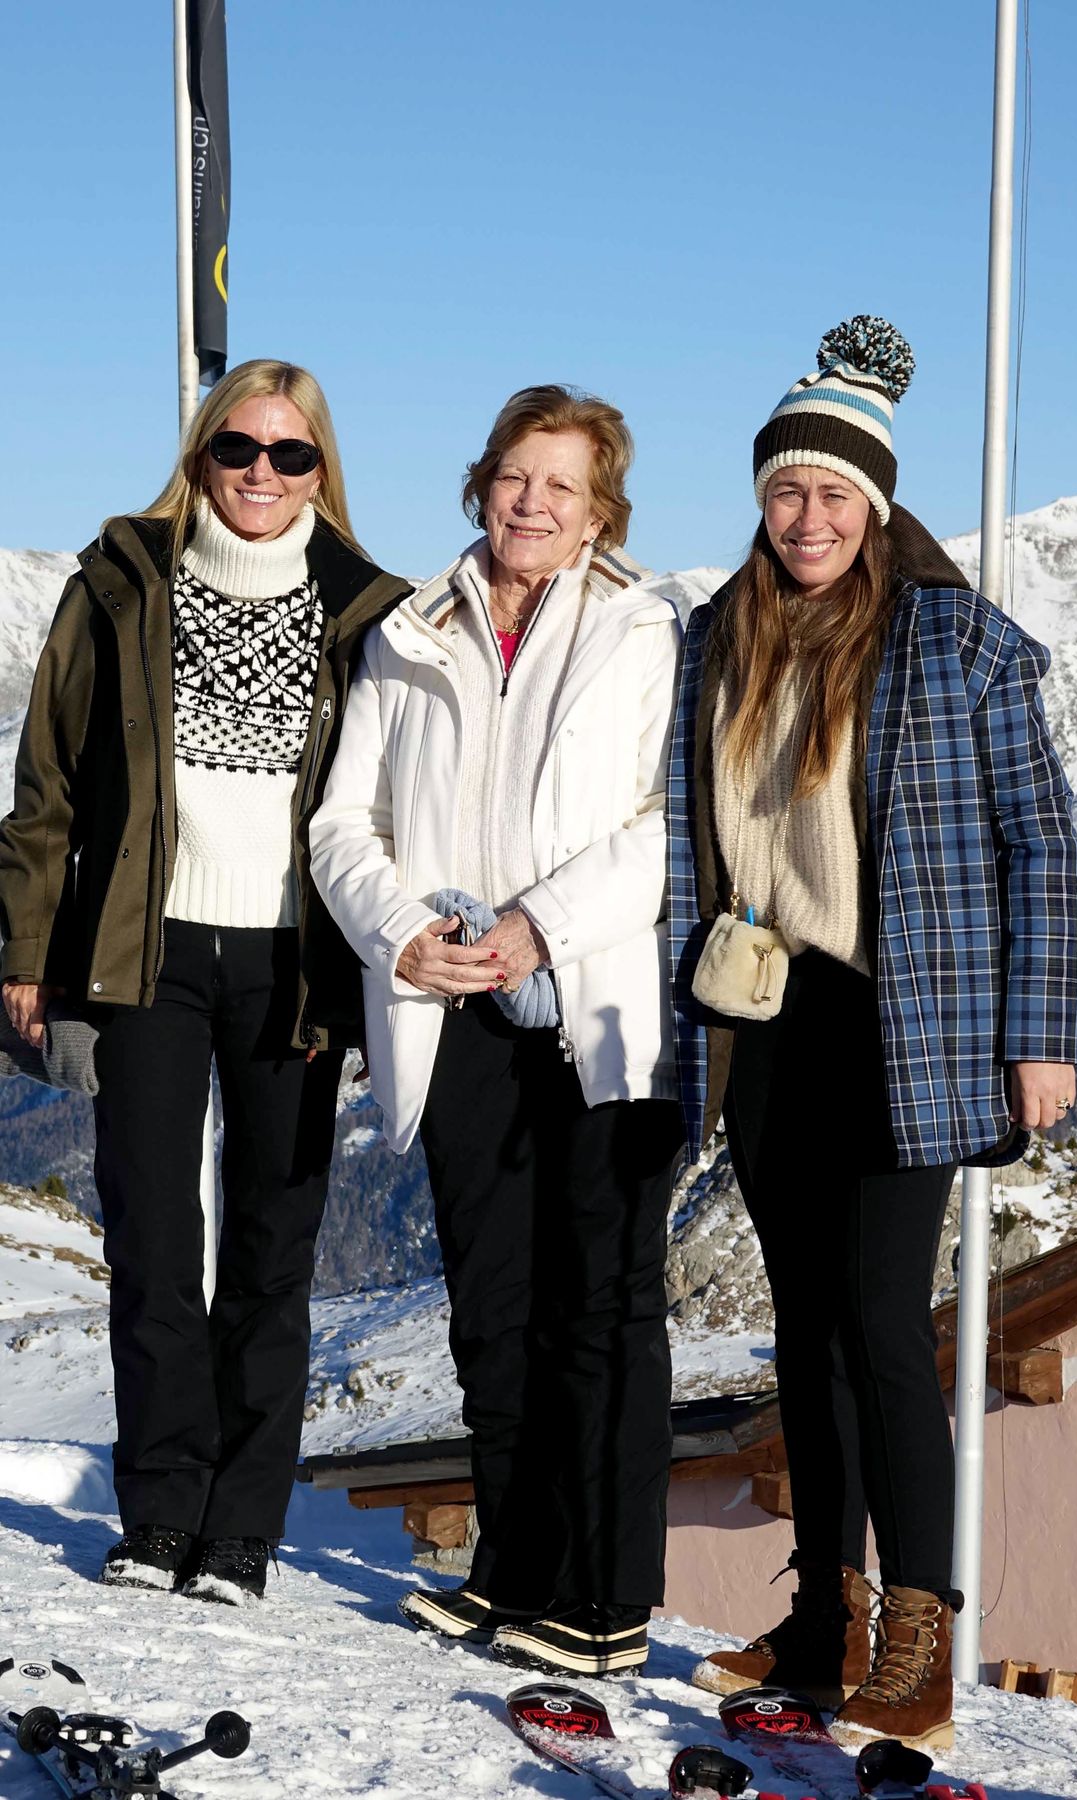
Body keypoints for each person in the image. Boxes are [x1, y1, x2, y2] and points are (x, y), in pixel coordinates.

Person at [667, 318, 1077, 1749]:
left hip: (917, 1024)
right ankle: (820, 1623)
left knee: (884, 1331)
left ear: (881, 505)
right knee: (804, 1334)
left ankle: (920, 1636)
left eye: (837, 495)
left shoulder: (959, 638)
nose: (809, 518)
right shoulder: (719, 638)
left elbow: (1046, 845)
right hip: (772, 1019)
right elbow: (688, 847)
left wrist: (1045, 1039)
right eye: (788, 490)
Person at [0, 360, 410, 1603]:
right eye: (239, 448)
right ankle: (159, 1514)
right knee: (155, 1246)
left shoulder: (372, 611)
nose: (261, 475)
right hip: (146, 955)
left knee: (275, 1250)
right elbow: (47, 788)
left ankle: (245, 1528)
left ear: (321, 469)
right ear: (201, 453)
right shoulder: (120, 583)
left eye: (291, 455)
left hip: (297, 965)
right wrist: (25, 954)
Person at [310, 384, 683, 1676]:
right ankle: (515, 1564)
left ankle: (606, 1591)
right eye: (515, 477)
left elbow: (663, 830)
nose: (532, 503)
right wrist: (400, 931)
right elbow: (342, 824)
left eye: (560, 486)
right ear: (481, 486)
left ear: (600, 513)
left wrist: (537, 926)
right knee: (492, 1304)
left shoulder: (644, 632)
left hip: (589, 1003)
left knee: (601, 1305)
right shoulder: (412, 634)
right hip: (452, 999)